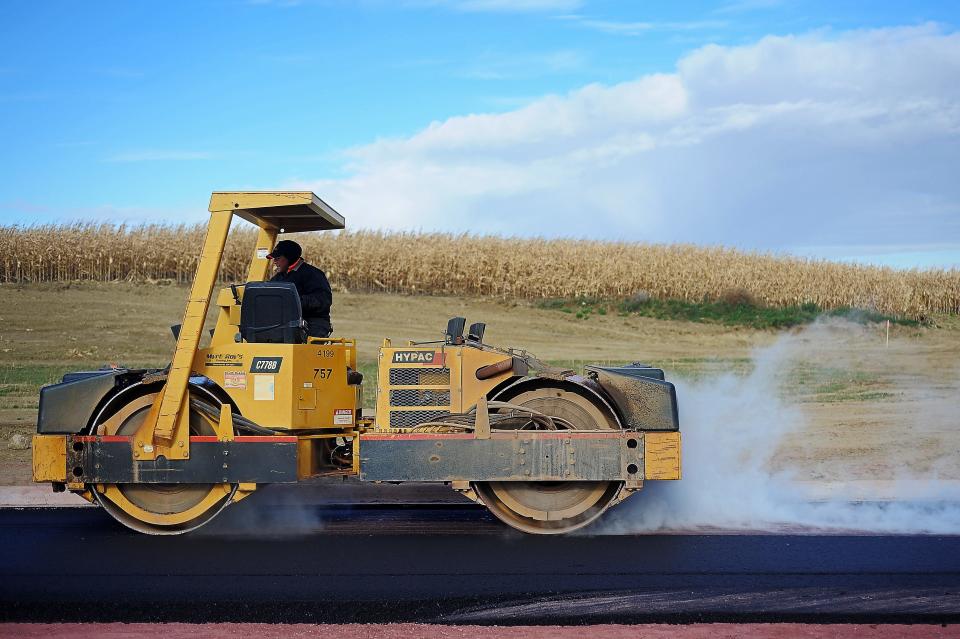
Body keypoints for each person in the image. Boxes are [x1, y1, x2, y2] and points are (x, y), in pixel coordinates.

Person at [266, 239, 333, 338]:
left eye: (278, 258)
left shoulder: (313, 274)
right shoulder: (277, 279)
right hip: (285, 323)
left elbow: (323, 300)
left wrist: (294, 302)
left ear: (290, 258)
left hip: (312, 322)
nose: (274, 261)